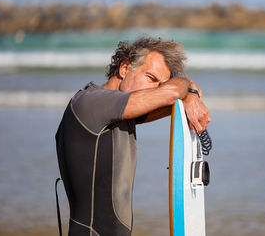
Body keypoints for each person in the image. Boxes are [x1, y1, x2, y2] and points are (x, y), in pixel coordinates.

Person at [55, 37, 210, 236]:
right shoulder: (92, 103)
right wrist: (186, 87)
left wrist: (189, 96)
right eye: (151, 78)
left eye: (161, 84)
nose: (157, 90)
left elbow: (172, 100)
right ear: (125, 69)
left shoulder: (118, 115)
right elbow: (171, 93)